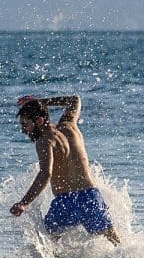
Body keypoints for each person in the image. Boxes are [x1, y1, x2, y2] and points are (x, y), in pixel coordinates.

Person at [10, 94, 121, 246]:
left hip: (66, 202)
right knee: (115, 242)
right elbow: (75, 100)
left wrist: (24, 203)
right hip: (90, 197)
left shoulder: (45, 141)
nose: (23, 130)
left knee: (47, 243)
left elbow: (45, 174)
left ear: (40, 121)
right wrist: (41, 102)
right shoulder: (70, 126)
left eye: (25, 124)